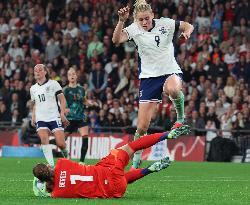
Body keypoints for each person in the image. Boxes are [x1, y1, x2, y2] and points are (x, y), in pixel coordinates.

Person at [112, 0, 194, 168]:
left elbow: (188, 25)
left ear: (152, 15)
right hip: (149, 78)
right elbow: (116, 39)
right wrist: (121, 21)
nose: (144, 22)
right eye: (141, 19)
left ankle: (180, 117)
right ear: (136, 19)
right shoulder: (134, 28)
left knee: (173, 89)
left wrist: (187, 33)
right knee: (142, 127)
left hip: (169, 71)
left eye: (147, 18)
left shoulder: (166, 23)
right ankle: (136, 160)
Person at [33, 125, 190, 198]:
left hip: (114, 191)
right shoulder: (61, 163)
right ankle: (168, 135)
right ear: (48, 166)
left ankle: (150, 169)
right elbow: (60, 170)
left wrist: (47, 187)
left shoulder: (57, 194)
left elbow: (50, 189)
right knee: (132, 146)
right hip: (106, 169)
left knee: (121, 179)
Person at [30, 64, 69, 167]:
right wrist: (33, 116)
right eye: (35, 71)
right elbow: (35, 104)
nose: (37, 72)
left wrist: (62, 113)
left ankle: (68, 160)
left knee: (61, 144)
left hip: (54, 117)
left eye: (40, 70)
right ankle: (51, 166)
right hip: (41, 118)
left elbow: (62, 99)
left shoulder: (54, 84)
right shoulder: (33, 89)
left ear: (45, 72)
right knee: (44, 139)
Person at [63, 67, 90, 162]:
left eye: (73, 74)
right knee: (61, 141)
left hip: (80, 118)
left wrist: (89, 103)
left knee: (85, 136)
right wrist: (64, 109)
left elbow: (84, 101)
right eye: (70, 74)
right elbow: (62, 103)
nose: (72, 76)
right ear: (67, 77)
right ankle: (66, 156)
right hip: (69, 119)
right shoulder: (65, 90)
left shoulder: (82, 89)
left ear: (76, 76)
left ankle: (82, 162)